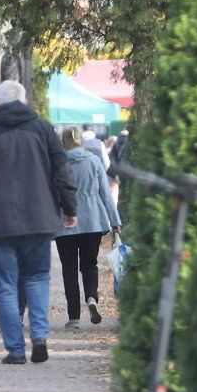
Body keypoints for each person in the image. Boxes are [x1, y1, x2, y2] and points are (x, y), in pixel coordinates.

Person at [0, 80, 77, 364]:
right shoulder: (43, 130)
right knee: (37, 278)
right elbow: (63, 172)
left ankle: (16, 350)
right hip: (39, 219)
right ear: (24, 102)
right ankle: (40, 336)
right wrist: (70, 208)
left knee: (6, 285)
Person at [56, 126, 120, 328]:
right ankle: (91, 297)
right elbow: (105, 194)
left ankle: (74, 317)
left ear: (63, 143)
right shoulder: (94, 161)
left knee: (69, 270)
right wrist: (115, 220)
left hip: (65, 222)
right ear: (80, 142)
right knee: (89, 264)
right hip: (93, 220)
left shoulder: (58, 164)